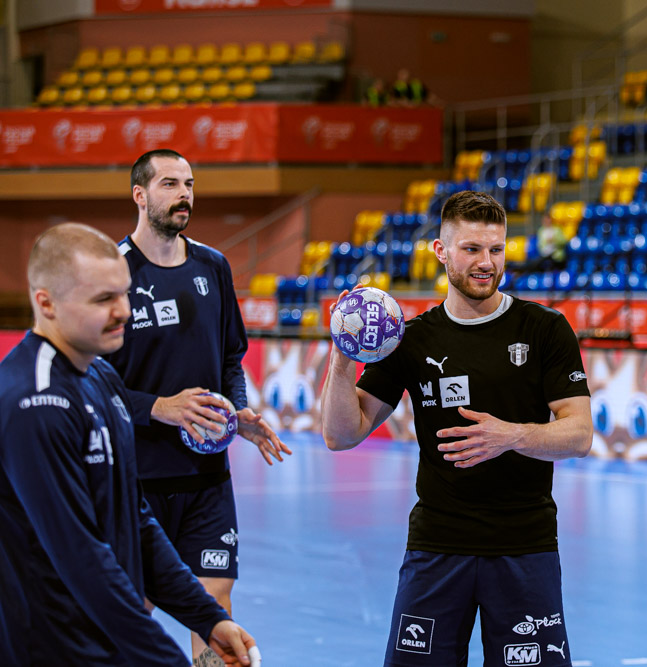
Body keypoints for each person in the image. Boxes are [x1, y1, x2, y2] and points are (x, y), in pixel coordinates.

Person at [320, 190, 593, 666]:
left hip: (524, 546)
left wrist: (511, 435)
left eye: (496, 249)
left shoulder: (544, 328)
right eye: (471, 249)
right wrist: (342, 360)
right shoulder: (411, 340)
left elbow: (580, 434)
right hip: (437, 547)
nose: (486, 262)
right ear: (441, 252)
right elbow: (341, 434)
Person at [0, 222, 259, 666]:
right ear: (46, 303)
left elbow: (136, 523)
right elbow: (81, 559)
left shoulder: (102, 378)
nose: (124, 311)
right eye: (103, 299)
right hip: (48, 650)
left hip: (101, 646)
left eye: (124, 293)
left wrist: (208, 619)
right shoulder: (35, 402)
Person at [105, 149, 291, 665]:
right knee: (133, 610)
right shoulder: (113, 273)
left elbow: (231, 358)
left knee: (214, 607)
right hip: (137, 479)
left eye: (188, 184)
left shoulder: (213, 265)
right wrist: (159, 407)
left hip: (207, 477)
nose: (184, 194)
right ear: (139, 195)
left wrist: (237, 412)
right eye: (169, 184)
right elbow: (93, 384)